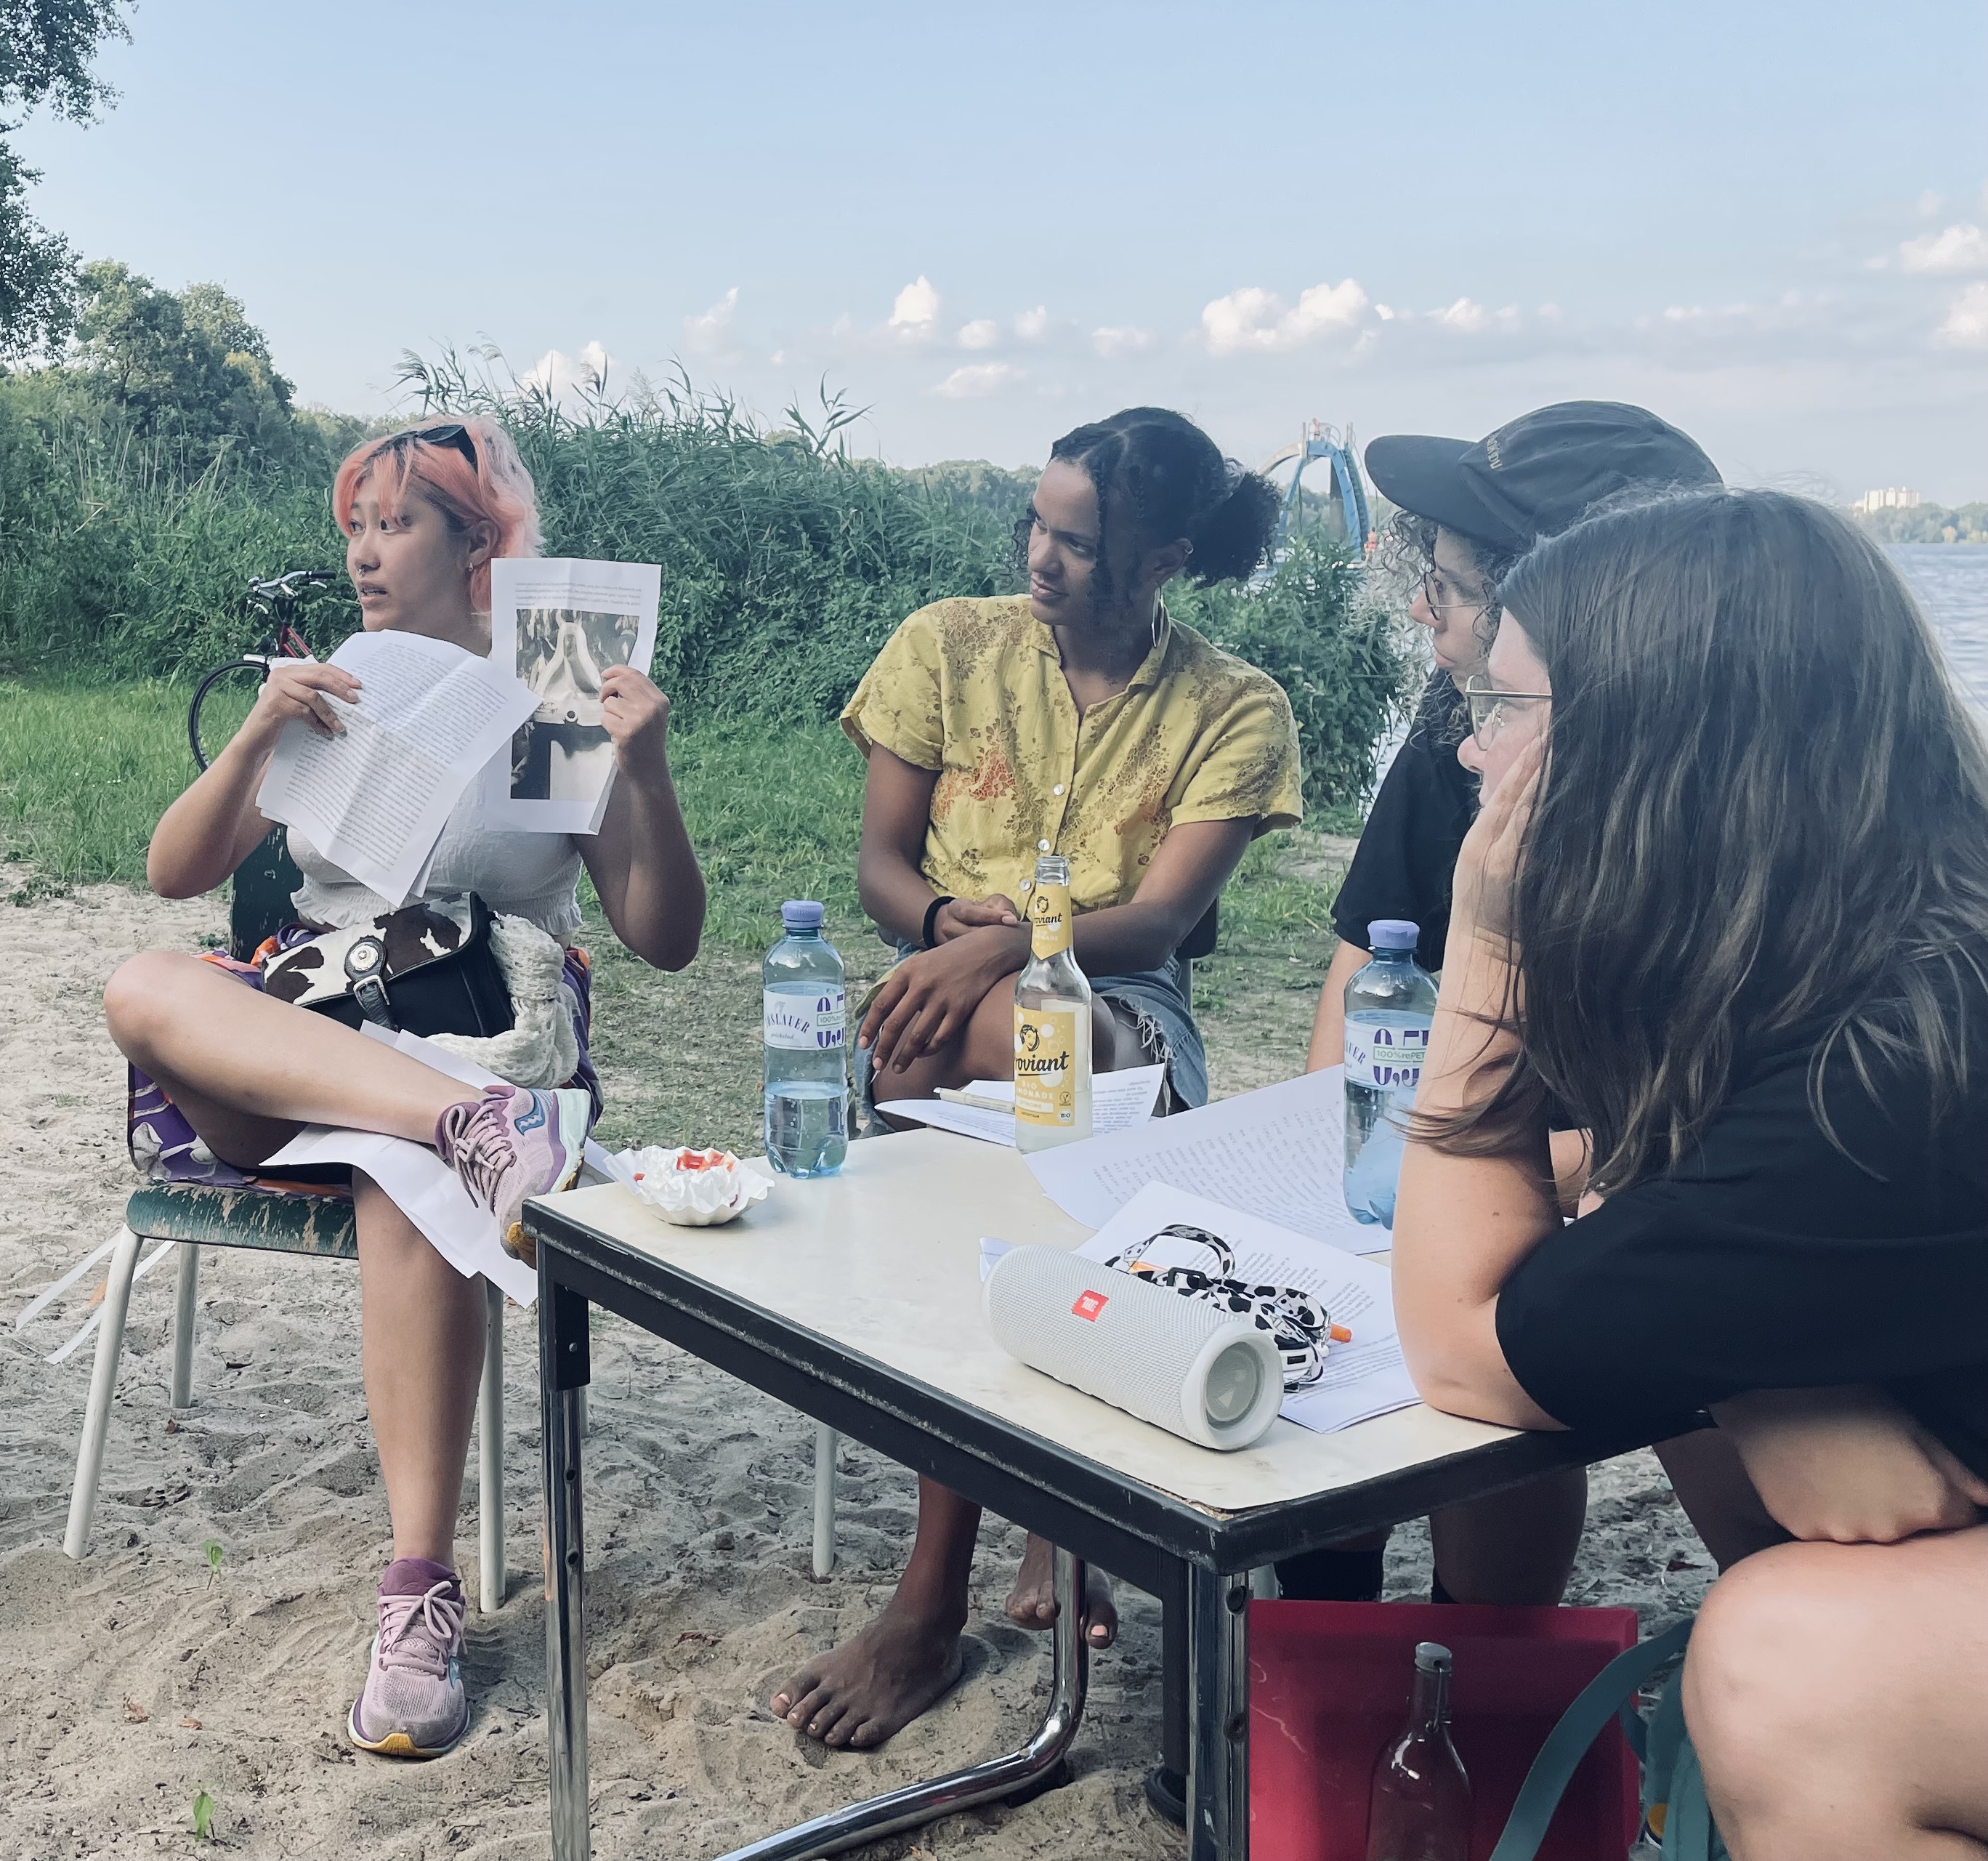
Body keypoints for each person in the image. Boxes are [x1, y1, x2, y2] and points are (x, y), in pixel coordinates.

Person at [1394, 487, 1988, 1858]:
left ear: (1657, 751)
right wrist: (1771, 1379)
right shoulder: (1898, 961)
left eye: (1508, 708)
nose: (1475, 751)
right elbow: (1654, 1223)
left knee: (1791, 1670)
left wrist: (1485, 947)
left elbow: (1467, 1347)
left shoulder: (1882, 1087)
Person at [102, 416, 706, 1760]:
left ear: (476, 539)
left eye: (397, 524)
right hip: (320, 1040)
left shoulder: (553, 688)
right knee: (144, 984)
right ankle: (456, 1127)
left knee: (407, 1177)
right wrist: (257, 733)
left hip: (475, 1036)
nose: (366, 555)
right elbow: (175, 871)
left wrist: (646, 774)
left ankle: (417, 1590)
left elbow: (663, 936)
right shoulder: (344, 679)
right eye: (356, 527)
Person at [772, 406, 1303, 1751]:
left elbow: (1162, 923)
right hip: (939, 1001)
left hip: (1120, 1021)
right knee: (973, 1084)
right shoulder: (947, 646)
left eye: (1078, 541)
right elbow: (881, 869)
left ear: (1165, 558)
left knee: (1024, 1058)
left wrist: (1011, 944)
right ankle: (1048, 1518)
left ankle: (929, 1601)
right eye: (1036, 524)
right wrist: (940, 926)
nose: (1040, 559)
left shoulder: (1234, 706)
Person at [1282, 400, 1731, 1607]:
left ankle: (1487, 1643)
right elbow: (1360, 971)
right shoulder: (1459, 740)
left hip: (1622, 1178)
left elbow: (1721, 1139)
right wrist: (1351, 1151)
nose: (1424, 607)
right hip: (1488, 1137)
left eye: (1458, 583)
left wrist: (1492, 1166)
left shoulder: (1729, 817)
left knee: (1545, 1315)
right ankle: (1327, 1619)